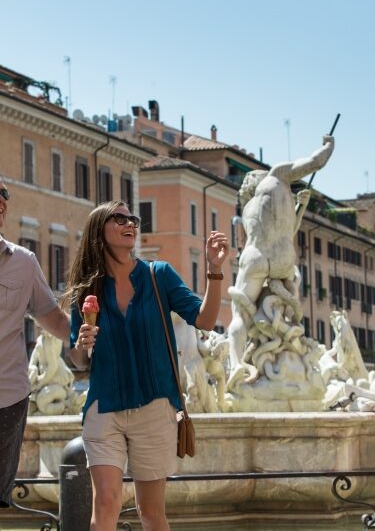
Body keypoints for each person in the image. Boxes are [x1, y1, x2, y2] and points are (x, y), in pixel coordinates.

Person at [63, 200, 229, 531]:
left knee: (150, 512)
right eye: (120, 217)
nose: (130, 223)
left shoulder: (159, 276)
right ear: (100, 229)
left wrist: (214, 269)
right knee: (106, 502)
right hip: (104, 408)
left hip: (155, 406)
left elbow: (205, 320)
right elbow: (80, 364)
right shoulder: (88, 290)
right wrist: (82, 344)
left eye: (133, 218)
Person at [227, 135, 335, 386]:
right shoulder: (277, 176)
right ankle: (289, 354)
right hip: (284, 260)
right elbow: (313, 162)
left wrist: (301, 206)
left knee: (239, 315)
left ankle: (236, 364)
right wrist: (328, 146)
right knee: (289, 311)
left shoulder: (249, 209)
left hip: (255, 257)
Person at [0, 178, 70, 508]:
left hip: (7, 398)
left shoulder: (24, 262)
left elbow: (52, 317)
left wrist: (87, 338)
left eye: (2, 202)